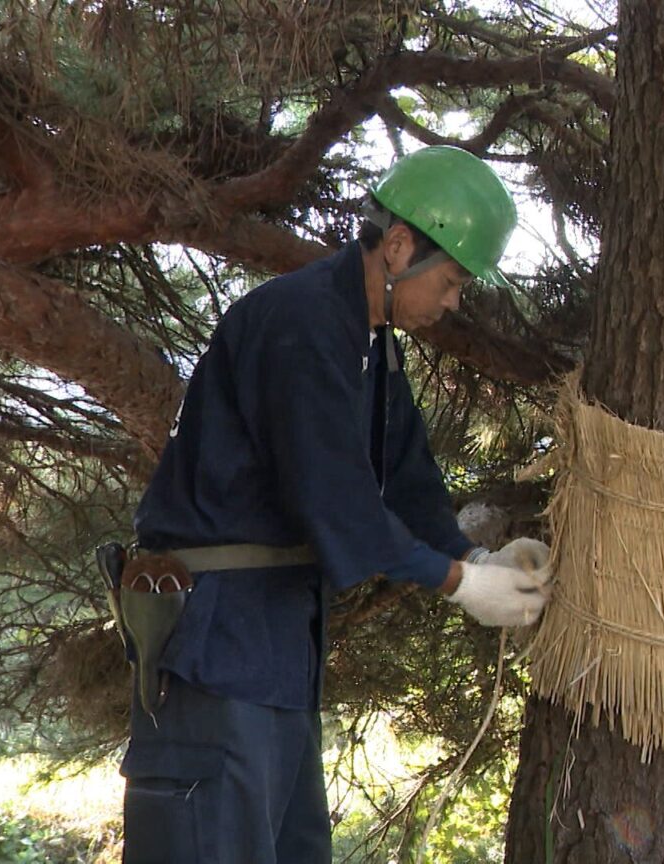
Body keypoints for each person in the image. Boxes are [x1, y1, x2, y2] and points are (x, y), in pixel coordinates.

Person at [116, 145, 552, 863]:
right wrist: (462, 586)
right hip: (215, 648)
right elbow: (336, 496)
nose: (452, 303)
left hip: (279, 652)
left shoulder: (370, 345)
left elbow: (405, 476)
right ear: (401, 246)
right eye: (450, 282)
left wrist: (474, 554)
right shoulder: (300, 323)